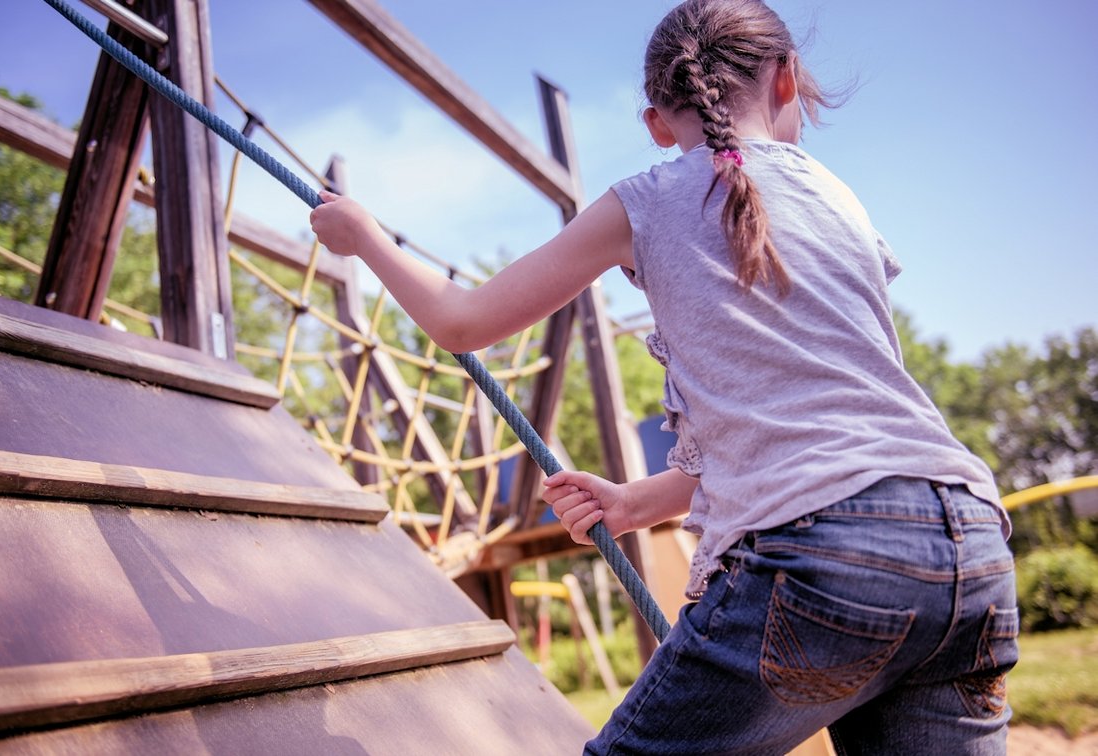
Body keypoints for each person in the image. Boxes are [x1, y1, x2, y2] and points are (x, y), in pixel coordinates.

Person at [311, 0, 1018, 752]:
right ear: (786, 80)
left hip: (824, 559)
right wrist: (633, 502)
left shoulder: (644, 201)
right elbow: (827, 429)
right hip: (968, 544)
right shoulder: (840, 200)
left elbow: (462, 322)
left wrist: (366, 238)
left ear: (657, 124)